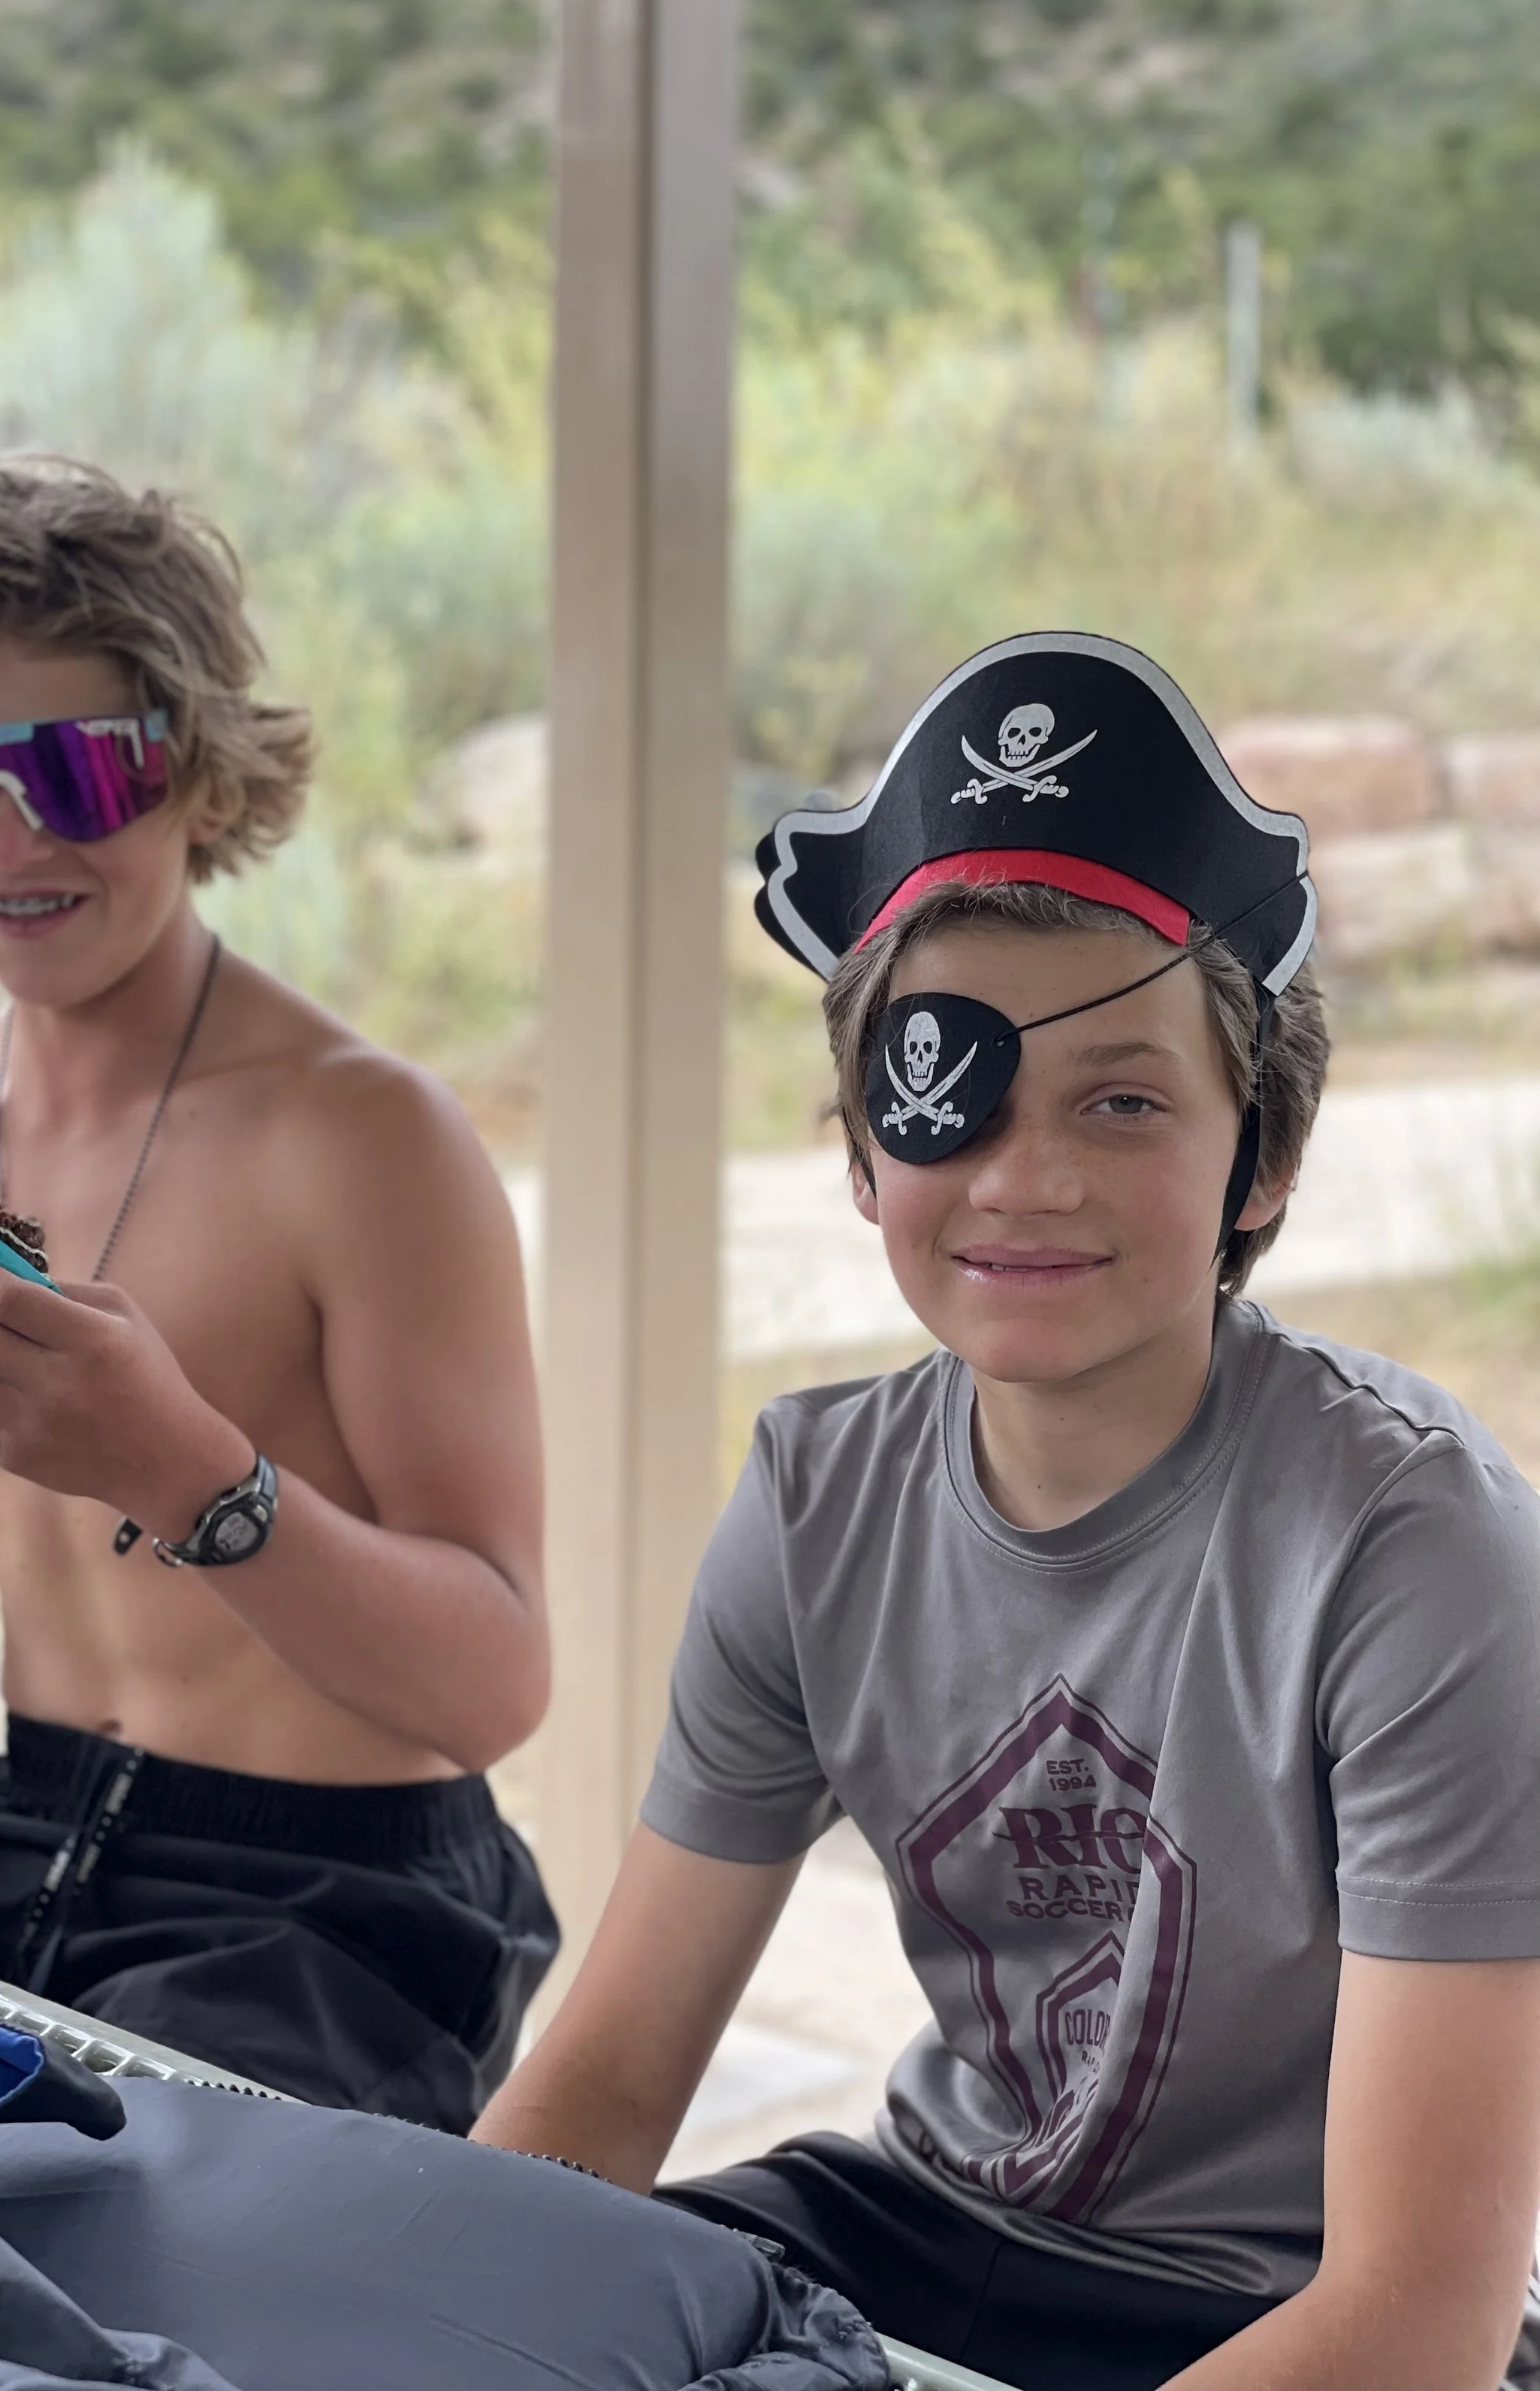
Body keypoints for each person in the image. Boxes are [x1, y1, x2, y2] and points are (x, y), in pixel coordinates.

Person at [474, 633, 1540, 2391]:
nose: (1022, 1178)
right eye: (943, 1095)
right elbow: (599, 2089)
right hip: (920, 2224)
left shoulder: (1416, 1554)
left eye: (1121, 1100)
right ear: (858, 1152)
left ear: (1256, 1158)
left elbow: (1414, 2303)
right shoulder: (814, 1507)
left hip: (1287, 2316)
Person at [0, 455, 556, 2127]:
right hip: (10, 1844)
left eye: (67, 768)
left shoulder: (364, 1137)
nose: (10, 840)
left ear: (189, 771)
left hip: (328, 1919)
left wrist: (179, 1468)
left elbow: (493, 1685)